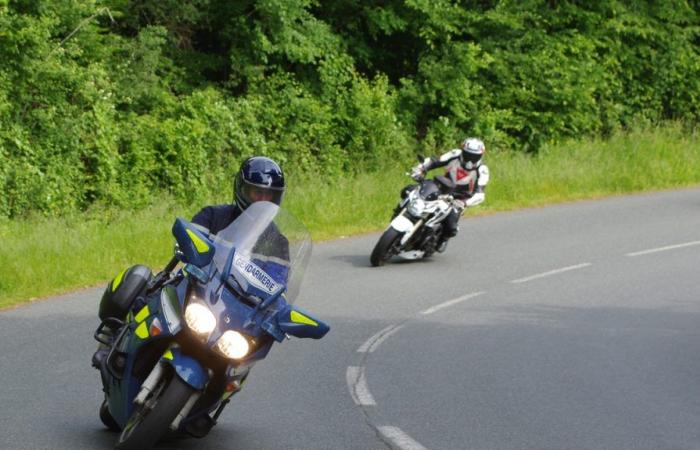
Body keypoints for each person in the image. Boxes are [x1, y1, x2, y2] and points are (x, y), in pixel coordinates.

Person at [410, 137, 490, 252]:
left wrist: (464, 202)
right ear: (463, 151)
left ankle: (442, 239)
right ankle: (401, 214)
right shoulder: (455, 154)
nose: (470, 160)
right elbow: (435, 161)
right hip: (442, 187)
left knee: (451, 227)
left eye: (474, 157)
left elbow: (480, 194)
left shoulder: (483, 170)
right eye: (468, 155)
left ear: (481, 156)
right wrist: (421, 169)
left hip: (460, 198)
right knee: (409, 190)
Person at [192, 156, 286, 234]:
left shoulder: (275, 238)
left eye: (268, 194)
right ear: (243, 190)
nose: (263, 199)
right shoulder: (210, 218)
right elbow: (188, 246)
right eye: (258, 192)